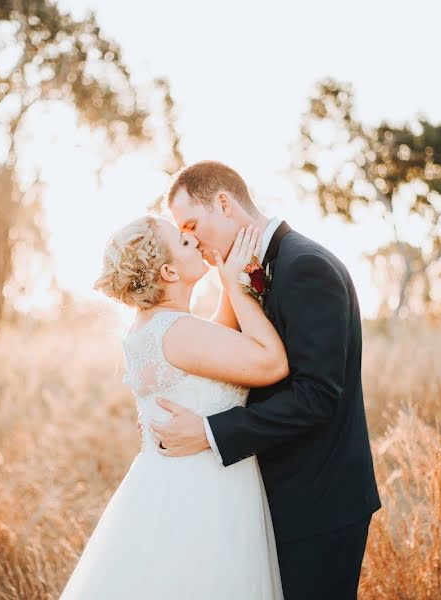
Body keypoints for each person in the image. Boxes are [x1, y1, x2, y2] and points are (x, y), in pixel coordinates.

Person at [151, 160, 381, 599]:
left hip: (319, 502)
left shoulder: (305, 267)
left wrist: (207, 432)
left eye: (193, 225)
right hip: (275, 497)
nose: (192, 241)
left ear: (224, 203)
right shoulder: (244, 273)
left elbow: (317, 395)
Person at [60, 214, 286, 599]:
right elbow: (271, 362)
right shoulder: (179, 331)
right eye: (183, 243)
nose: (195, 242)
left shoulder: (156, 326)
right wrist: (237, 284)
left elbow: (216, 336)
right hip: (205, 493)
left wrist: (225, 276)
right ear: (167, 271)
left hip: (167, 484)